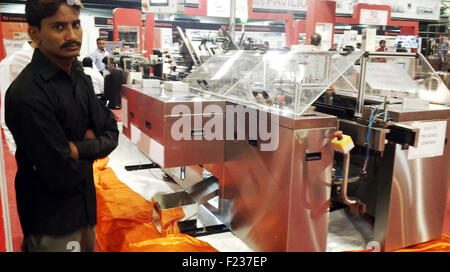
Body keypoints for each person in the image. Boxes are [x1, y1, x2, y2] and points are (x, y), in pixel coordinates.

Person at [5, 0, 119, 252]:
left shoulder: (78, 76)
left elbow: (111, 131)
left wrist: (78, 149)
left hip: (86, 210)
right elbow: (61, 173)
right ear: (34, 33)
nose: (72, 35)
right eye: (58, 26)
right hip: (52, 222)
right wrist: (91, 143)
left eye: (75, 25)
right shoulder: (28, 94)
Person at [0, 40, 37, 155]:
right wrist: (17, 151)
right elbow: (7, 110)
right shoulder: (14, 62)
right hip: (33, 143)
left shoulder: (58, 61)